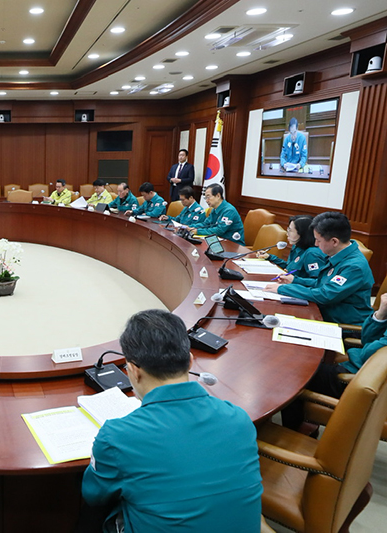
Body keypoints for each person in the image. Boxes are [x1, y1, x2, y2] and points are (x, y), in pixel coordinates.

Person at [80, 309, 262, 533]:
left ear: (134, 371)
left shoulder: (117, 436)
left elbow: (94, 495)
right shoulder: (238, 418)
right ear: (191, 361)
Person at [264, 212, 374, 325]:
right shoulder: (337, 255)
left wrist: (282, 289)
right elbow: (323, 283)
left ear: (334, 241)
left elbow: (325, 295)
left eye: (318, 240)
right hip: (324, 315)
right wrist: (295, 280)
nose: (315, 244)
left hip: (343, 325)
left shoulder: (354, 266)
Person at [255, 214, 324, 280]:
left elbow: (317, 282)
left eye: (290, 230)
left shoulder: (313, 254)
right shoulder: (297, 246)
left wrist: (293, 279)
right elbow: (289, 268)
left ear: (302, 234)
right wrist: (270, 257)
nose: (287, 233)